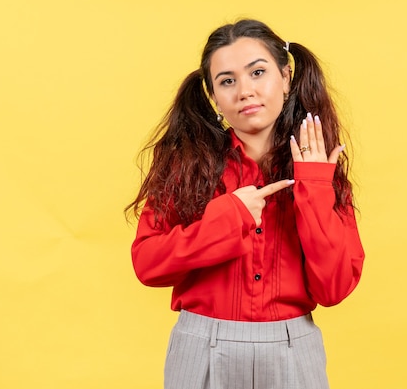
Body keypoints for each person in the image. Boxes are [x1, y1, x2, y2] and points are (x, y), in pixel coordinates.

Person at [126, 19, 365, 389]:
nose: (245, 91)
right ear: (213, 97)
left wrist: (315, 188)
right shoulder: (185, 165)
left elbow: (333, 289)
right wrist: (229, 217)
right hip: (202, 346)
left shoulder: (321, 169)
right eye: (227, 80)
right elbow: (148, 263)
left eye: (258, 72)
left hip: (292, 347)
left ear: (286, 77)